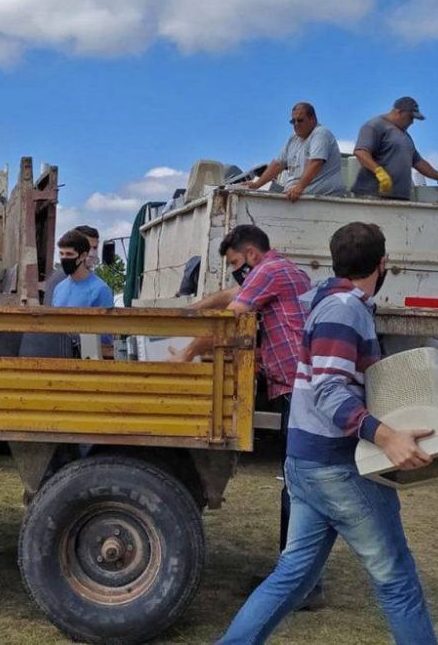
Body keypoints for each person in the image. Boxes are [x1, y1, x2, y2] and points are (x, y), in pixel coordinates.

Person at [218, 222, 438, 645]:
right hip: (336, 468)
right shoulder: (344, 310)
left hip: (306, 462)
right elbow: (330, 389)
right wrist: (386, 436)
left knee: (294, 577)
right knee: (397, 581)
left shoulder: (329, 300)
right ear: (382, 264)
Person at [169, 225, 322, 605]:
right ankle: (295, 575)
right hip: (299, 388)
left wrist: (186, 354)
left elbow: (231, 319)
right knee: (300, 483)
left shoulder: (271, 271)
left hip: (300, 390)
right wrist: (189, 311)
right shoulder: (283, 271)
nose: (237, 271)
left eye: (237, 263)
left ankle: (300, 583)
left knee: (300, 485)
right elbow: (230, 295)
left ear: (252, 254)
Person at [351, 96, 438, 201]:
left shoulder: (405, 136)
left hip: (399, 198)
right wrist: (379, 172)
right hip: (372, 196)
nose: (412, 122)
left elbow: (418, 162)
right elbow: (361, 152)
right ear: (399, 112)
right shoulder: (375, 126)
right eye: (410, 117)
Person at [244, 102, 346, 201]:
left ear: (313, 119)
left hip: (319, 198)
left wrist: (299, 187)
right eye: (293, 121)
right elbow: (278, 164)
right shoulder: (293, 139)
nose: (296, 124)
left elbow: (316, 162)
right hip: (297, 196)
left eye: (300, 120)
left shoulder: (321, 133)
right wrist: (256, 185)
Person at [51, 229, 113, 310]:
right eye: (61, 254)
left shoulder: (101, 290)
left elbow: (107, 322)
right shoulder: (59, 288)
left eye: (69, 254)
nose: (64, 258)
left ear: (83, 256)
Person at [44, 225, 99, 306]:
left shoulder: (99, 285)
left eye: (95, 248)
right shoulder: (60, 279)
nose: (91, 254)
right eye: (88, 247)